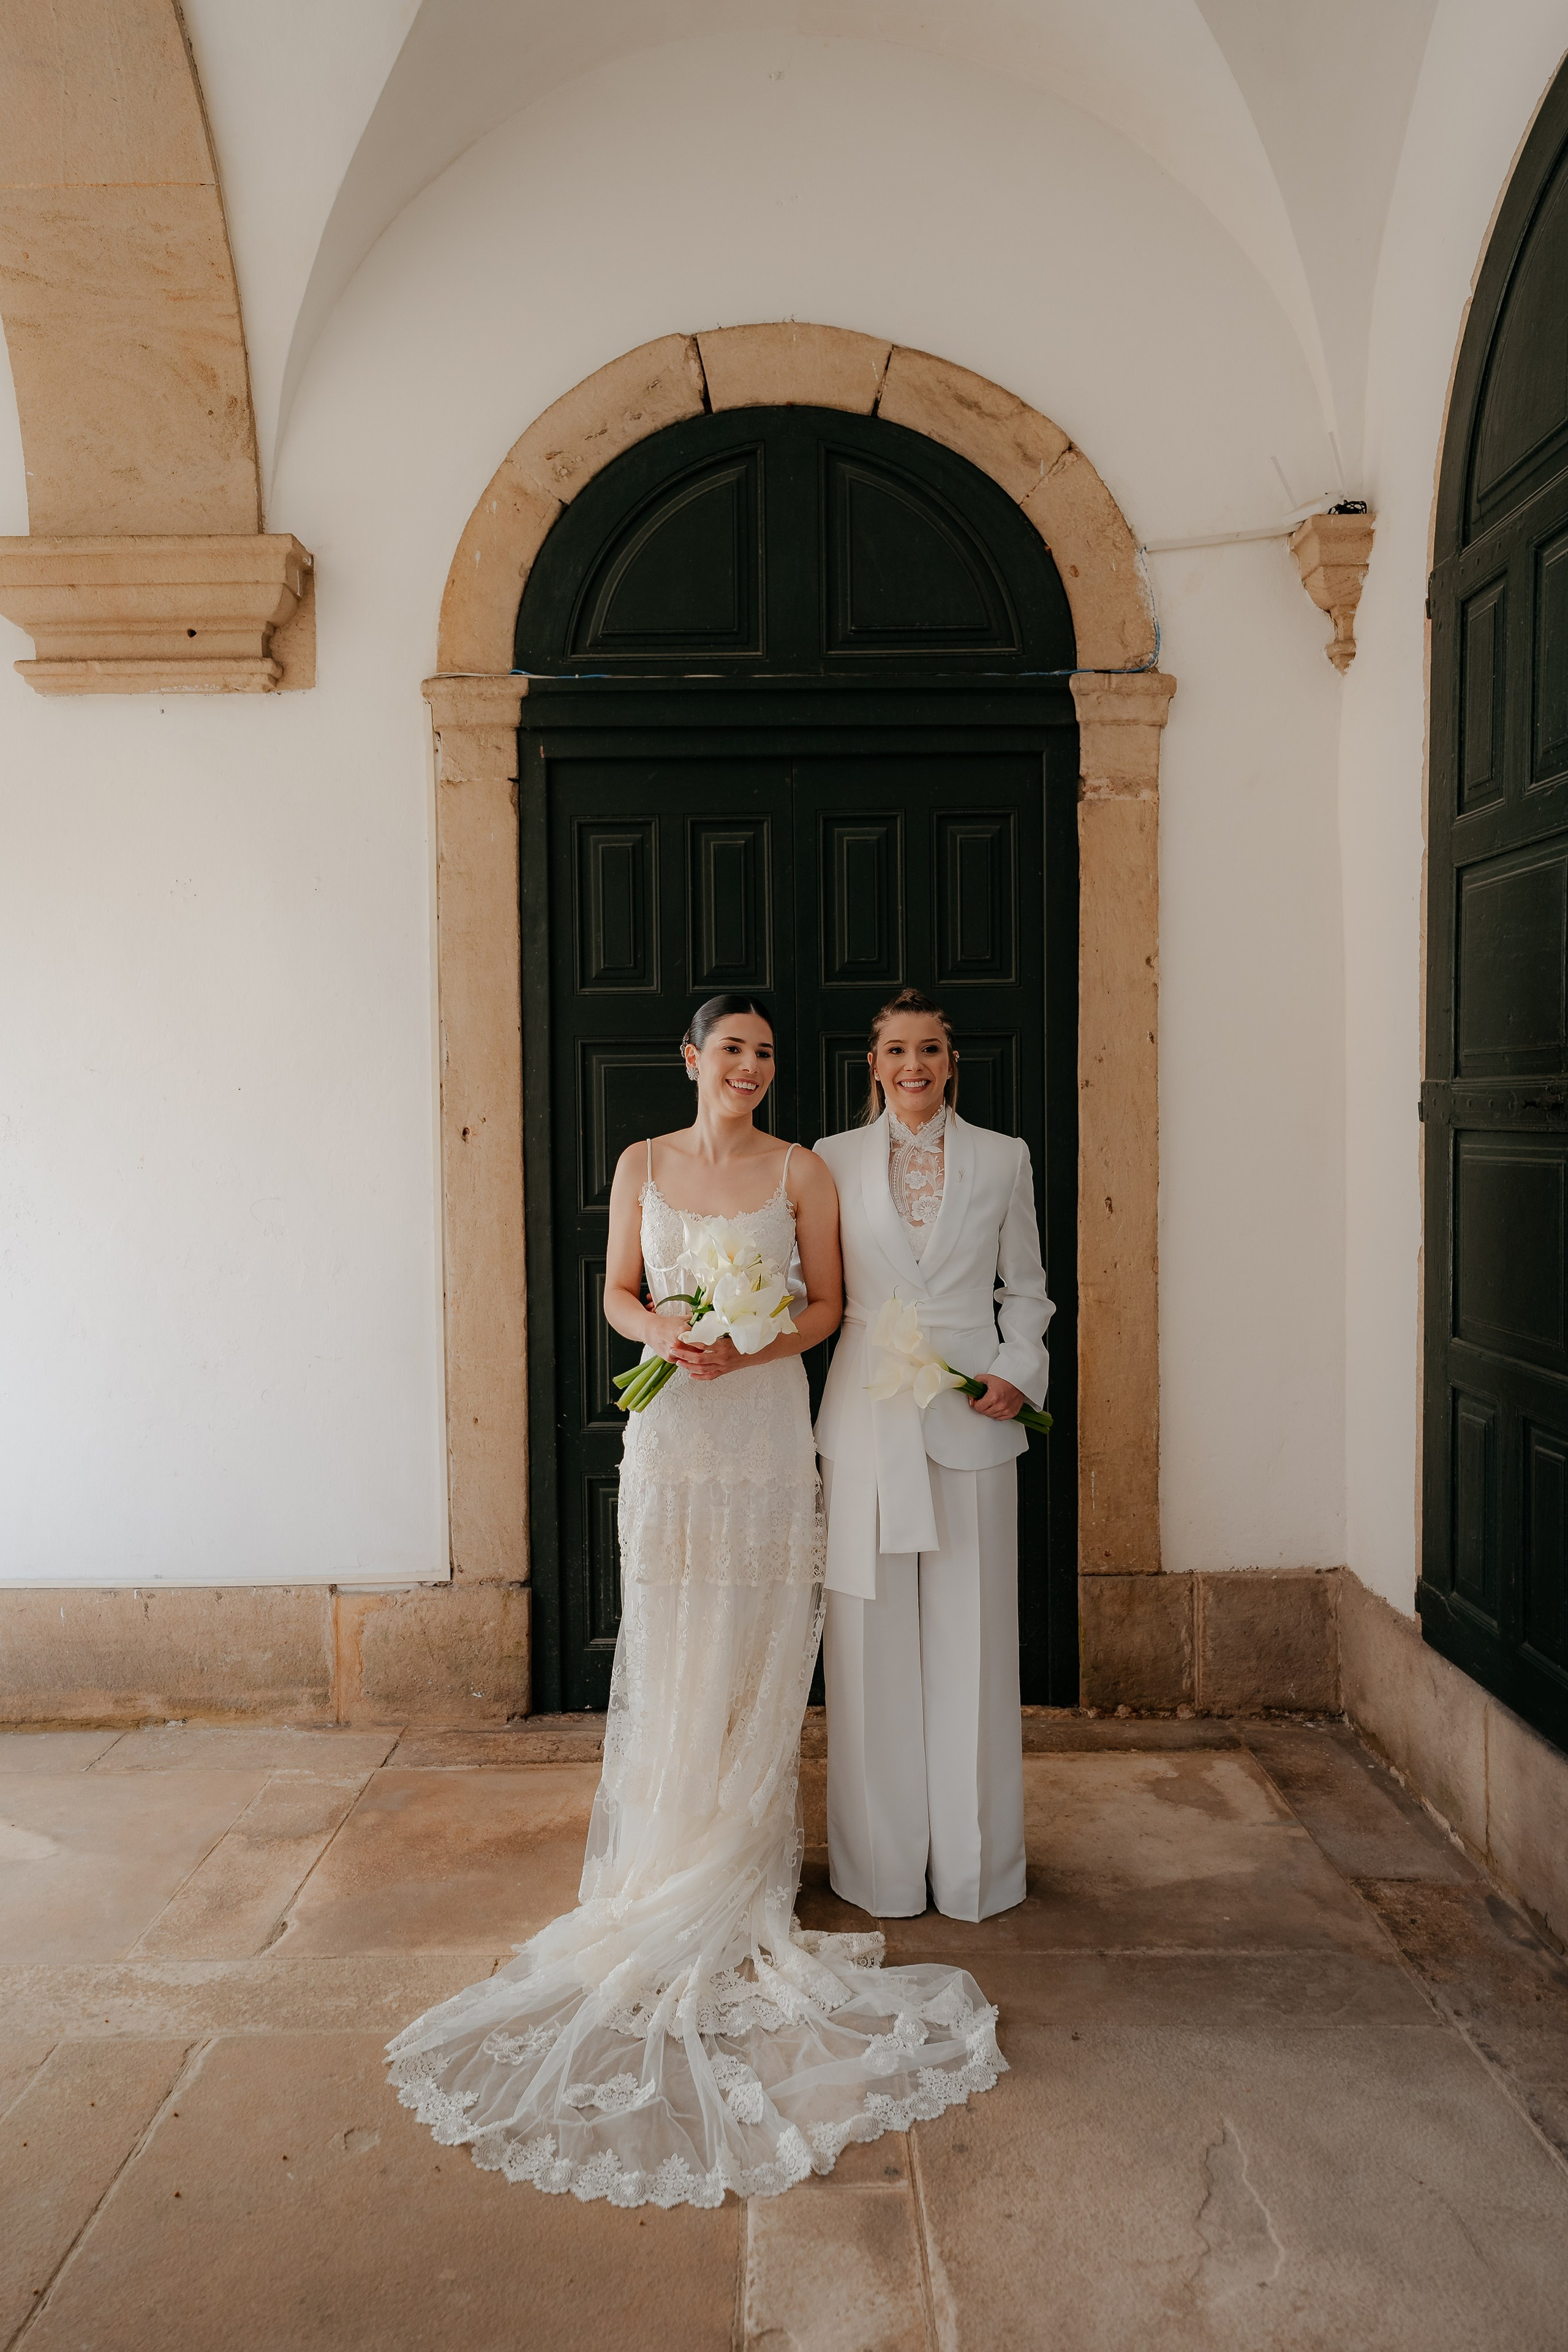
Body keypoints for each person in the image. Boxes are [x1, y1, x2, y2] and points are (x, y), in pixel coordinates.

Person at [388, 993, 1005, 2209]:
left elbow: (829, 1308)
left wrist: (759, 1338)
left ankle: (743, 1866)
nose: (752, 1067)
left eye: (766, 1054)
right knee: (673, 1644)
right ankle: (663, 1854)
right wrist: (666, 1332)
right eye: (732, 1049)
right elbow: (615, 1295)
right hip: (672, 1442)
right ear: (691, 1060)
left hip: (766, 1438)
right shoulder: (640, 1164)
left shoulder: (799, 1175)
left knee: (759, 1646)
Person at [814, 988, 1054, 1923]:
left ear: (951, 1063)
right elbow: (810, 1284)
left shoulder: (1002, 1159)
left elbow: (1026, 1289)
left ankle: (976, 1874)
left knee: (976, 1645)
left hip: (972, 1417)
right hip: (868, 1414)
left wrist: (1017, 1370)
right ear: (873, 1066)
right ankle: (878, 1872)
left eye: (930, 1050)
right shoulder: (829, 1162)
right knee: (870, 1654)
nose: (913, 1066)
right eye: (896, 1051)